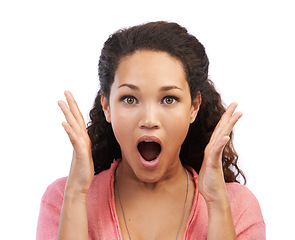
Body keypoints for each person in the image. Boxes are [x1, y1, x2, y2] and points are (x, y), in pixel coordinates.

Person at [37, 21, 265, 240]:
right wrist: (76, 195)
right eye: (129, 99)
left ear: (194, 107)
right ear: (107, 106)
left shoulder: (237, 207)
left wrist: (217, 205)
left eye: (169, 99)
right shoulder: (62, 199)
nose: (149, 119)